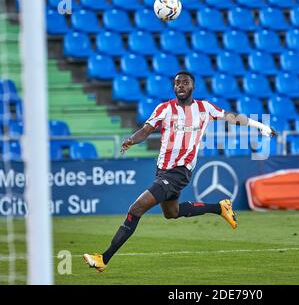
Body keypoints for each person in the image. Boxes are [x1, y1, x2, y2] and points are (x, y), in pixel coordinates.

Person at [83, 71, 276, 272]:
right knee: (171, 213)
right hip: (163, 171)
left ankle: (103, 258)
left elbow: (232, 117)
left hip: (180, 172)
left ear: (192, 86)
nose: (181, 86)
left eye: (185, 83)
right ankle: (219, 207)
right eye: (177, 83)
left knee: (136, 209)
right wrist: (132, 139)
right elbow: (146, 130)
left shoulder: (204, 108)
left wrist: (260, 126)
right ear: (174, 87)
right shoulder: (164, 109)